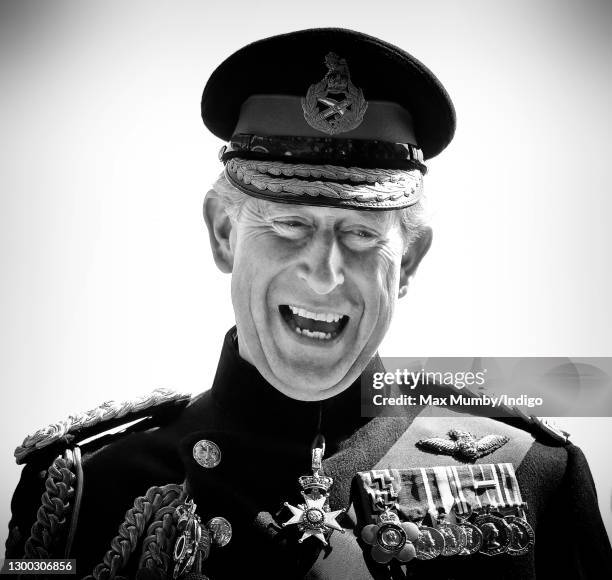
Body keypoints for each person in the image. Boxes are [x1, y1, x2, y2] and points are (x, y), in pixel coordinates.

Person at [5, 28, 612, 580]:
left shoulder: (534, 473)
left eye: (361, 235)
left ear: (410, 260)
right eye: (290, 225)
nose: (324, 276)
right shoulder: (82, 490)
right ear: (222, 233)